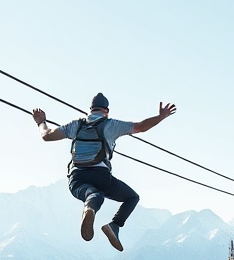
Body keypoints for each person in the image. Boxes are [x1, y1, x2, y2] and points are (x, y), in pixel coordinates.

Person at [32, 92, 176, 251]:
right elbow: (141, 126)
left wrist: (41, 122)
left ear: (90, 109)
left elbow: (47, 135)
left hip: (77, 177)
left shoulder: (76, 125)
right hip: (100, 175)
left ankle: (89, 207)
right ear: (106, 111)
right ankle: (114, 226)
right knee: (132, 197)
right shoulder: (111, 125)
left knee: (93, 195)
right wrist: (160, 117)